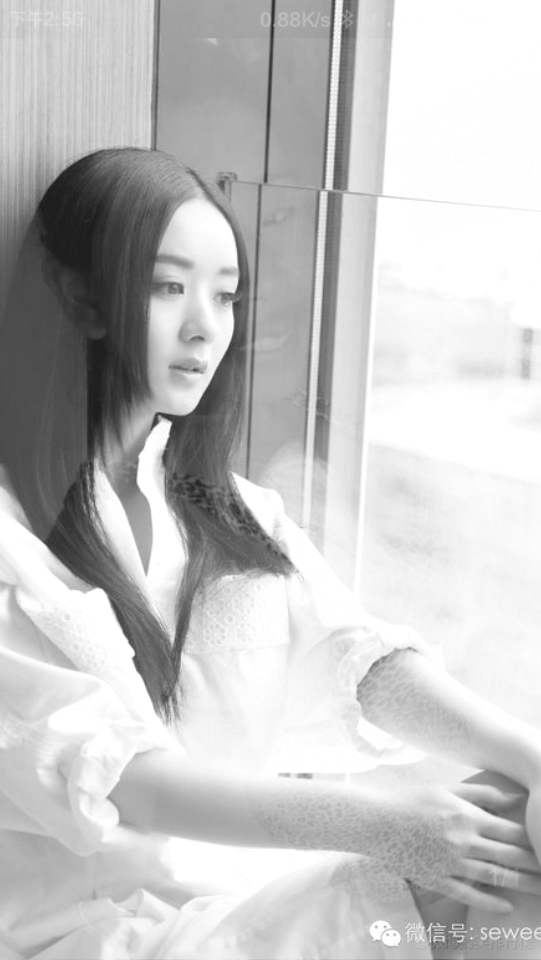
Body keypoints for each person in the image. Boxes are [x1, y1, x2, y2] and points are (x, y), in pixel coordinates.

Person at [1, 145, 541, 960]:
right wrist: (374, 820)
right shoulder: (13, 535)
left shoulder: (224, 507)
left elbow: (369, 669)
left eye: (224, 295)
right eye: (171, 287)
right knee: (483, 886)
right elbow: (122, 775)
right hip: (87, 939)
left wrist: (531, 763)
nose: (207, 328)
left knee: (502, 839)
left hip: (221, 904)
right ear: (84, 295)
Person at [24, 37, 478, 689]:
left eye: (277, 213)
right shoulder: (119, 541)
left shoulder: (405, 471)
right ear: (83, 289)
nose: (249, 278)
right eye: (173, 250)